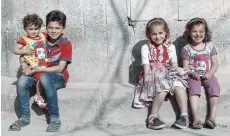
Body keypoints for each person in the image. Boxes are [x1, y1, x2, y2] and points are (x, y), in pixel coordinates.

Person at [8, 10, 72, 132]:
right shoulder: (40, 37)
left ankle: (54, 118)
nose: (54, 31)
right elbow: (24, 52)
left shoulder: (65, 43)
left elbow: (60, 68)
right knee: (21, 81)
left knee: (45, 78)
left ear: (63, 28)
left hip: (57, 76)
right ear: (46, 27)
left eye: (57, 28)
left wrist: (40, 69)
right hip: (37, 73)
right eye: (50, 28)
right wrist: (24, 65)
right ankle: (24, 117)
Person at [133, 17, 189, 130]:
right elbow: (147, 69)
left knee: (178, 83)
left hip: (168, 71)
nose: (158, 37)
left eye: (160, 33)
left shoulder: (171, 47)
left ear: (166, 32)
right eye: (154, 34)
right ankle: (152, 117)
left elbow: (174, 64)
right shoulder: (146, 47)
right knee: (163, 84)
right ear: (149, 34)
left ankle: (184, 116)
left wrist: (178, 72)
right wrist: (158, 75)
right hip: (152, 73)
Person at [181, 17, 220, 129]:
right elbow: (185, 67)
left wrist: (210, 74)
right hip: (193, 75)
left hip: (208, 74)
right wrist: (192, 73)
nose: (198, 34)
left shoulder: (210, 46)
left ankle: (212, 117)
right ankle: (195, 118)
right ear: (189, 33)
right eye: (194, 31)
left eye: (201, 31)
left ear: (205, 32)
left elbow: (215, 64)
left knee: (214, 87)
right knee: (194, 90)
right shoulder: (186, 49)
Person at [13, 14, 47, 109]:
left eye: (36, 29)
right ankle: (38, 95)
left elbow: (54, 37)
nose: (34, 31)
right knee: (41, 76)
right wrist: (24, 51)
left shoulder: (43, 35)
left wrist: (62, 37)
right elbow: (15, 50)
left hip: (43, 63)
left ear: (40, 28)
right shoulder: (24, 39)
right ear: (25, 29)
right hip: (33, 65)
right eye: (30, 29)